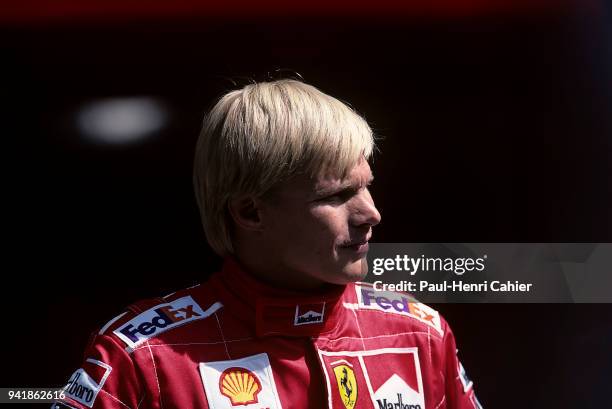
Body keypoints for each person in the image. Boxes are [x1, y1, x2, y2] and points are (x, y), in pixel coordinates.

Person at [53, 79, 482, 409]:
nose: (371, 214)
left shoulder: (419, 333)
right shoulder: (140, 358)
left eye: (367, 187)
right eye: (335, 196)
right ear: (250, 212)